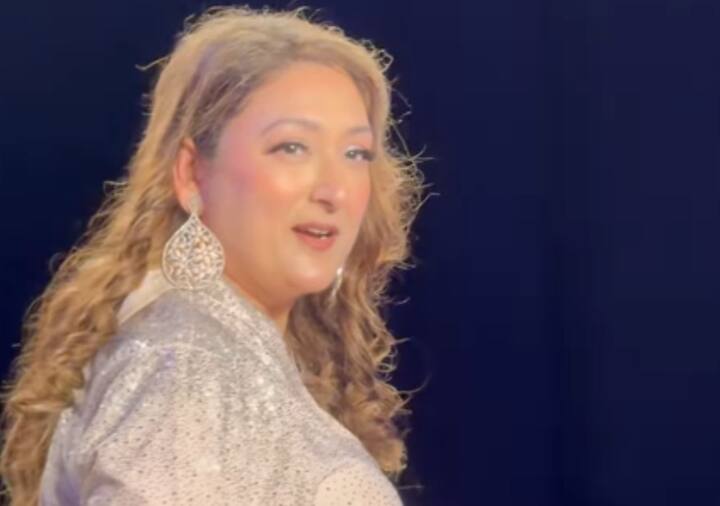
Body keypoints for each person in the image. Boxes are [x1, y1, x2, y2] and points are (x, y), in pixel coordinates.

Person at [0, 5, 426, 505]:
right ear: (191, 173)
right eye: (291, 147)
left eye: (356, 154)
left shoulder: (213, 348)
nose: (335, 190)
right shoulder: (187, 365)